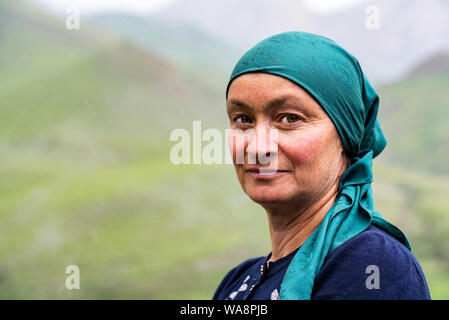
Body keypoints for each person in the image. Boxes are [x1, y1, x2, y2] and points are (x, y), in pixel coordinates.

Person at [212, 31, 431, 300]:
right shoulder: (238, 281)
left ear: (345, 136)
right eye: (243, 119)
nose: (257, 148)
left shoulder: (372, 264)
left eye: (289, 118)